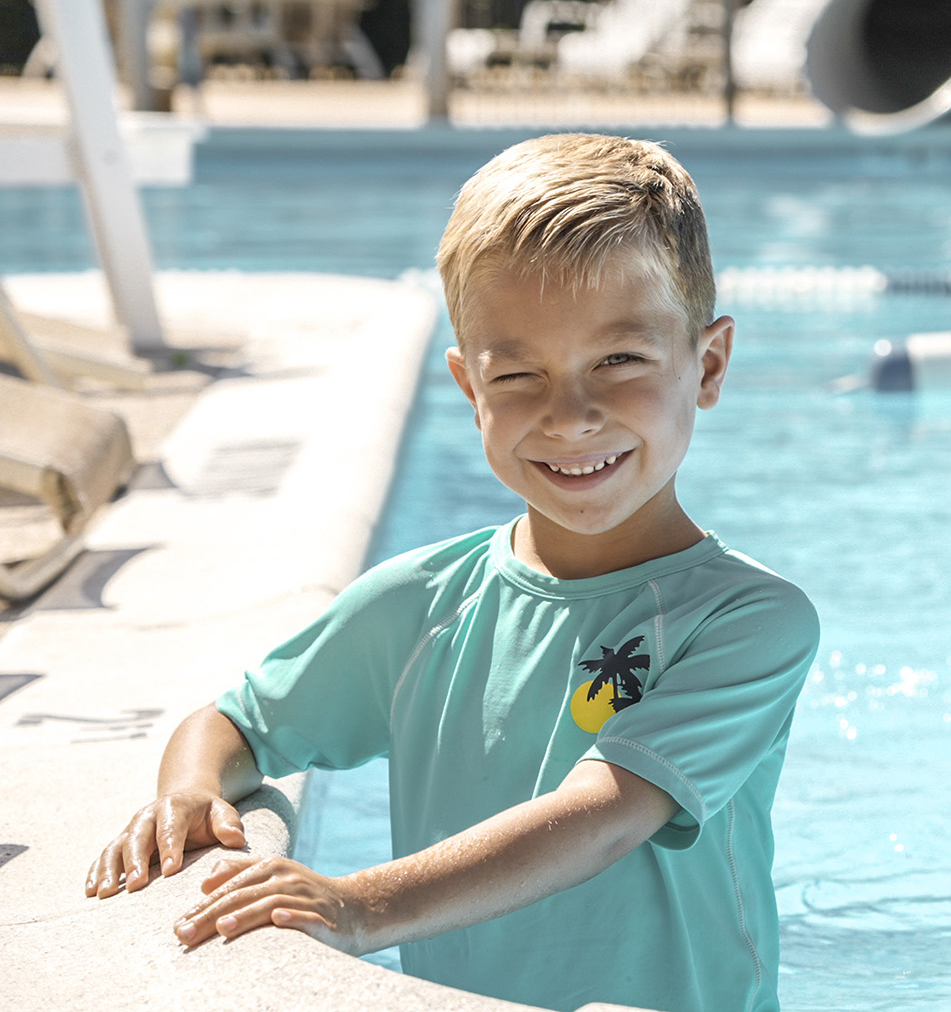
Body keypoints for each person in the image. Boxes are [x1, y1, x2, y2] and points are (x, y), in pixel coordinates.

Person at [83, 134, 821, 1012]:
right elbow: (237, 722)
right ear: (471, 390)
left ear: (709, 365)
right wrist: (189, 793)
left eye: (619, 361)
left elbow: (607, 814)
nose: (569, 416)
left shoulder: (747, 622)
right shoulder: (424, 604)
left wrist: (359, 905)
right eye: (519, 375)